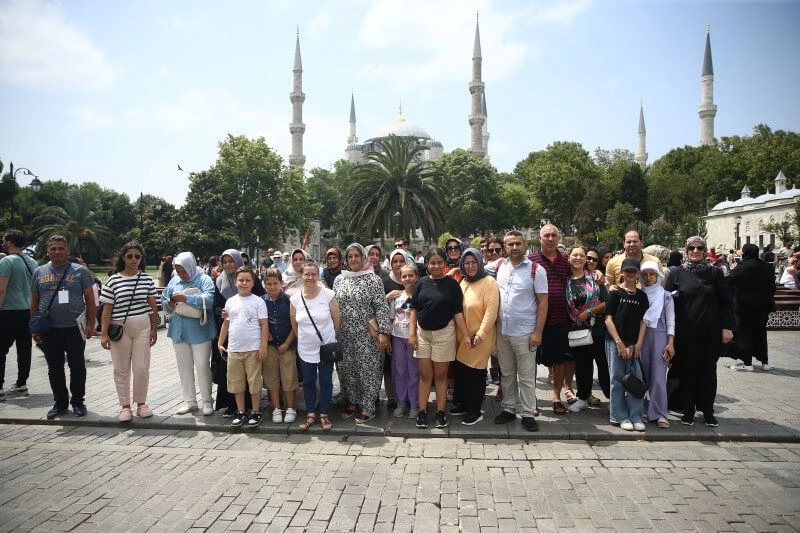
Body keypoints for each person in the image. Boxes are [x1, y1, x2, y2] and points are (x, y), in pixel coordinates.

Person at [664, 236, 734, 427]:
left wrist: (727, 327)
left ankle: (708, 411)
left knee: (708, 371)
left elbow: (727, 302)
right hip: (685, 332)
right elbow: (666, 303)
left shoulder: (715, 273)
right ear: (686, 251)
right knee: (687, 370)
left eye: (700, 248)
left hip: (710, 332)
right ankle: (688, 410)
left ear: (704, 250)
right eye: (691, 248)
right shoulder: (676, 273)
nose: (695, 251)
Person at [30, 235, 97, 419]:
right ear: (48, 252)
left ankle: (78, 402)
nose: (57, 251)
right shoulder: (39, 271)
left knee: (77, 366)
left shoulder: (80, 271)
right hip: (49, 329)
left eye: (61, 248)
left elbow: (90, 298)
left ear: (68, 251)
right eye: (53, 248)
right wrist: (34, 325)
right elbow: (34, 299)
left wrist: (91, 324)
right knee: (54, 367)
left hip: (74, 327)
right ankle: (60, 403)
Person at [487, 230, 548, 431]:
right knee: (507, 373)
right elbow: (474, 267)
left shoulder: (536, 269)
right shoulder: (499, 266)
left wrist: (538, 332)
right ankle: (509, 408)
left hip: (525, 332)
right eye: (510, 244)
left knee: (527, 376)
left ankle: (528, 412)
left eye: (518, 244)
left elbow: (543, 302)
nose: (514, 247)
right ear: (505, 246)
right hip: (502, 331)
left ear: (525, 245)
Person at [409, 248, 471, 429]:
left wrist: (466, 335)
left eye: (439, 262)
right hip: (422, 333)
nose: (436, 266)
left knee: (441, 376)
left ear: (445, 264)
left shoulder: (452, 285)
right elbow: (414, 310)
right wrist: (412, 334)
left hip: (444, 333)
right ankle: (422, 412)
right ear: (427, 264)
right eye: (432, 263)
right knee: (425, 376)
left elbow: (457, 313)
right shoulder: (421, 283)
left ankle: (440, 412)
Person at [99, 241, 159, 422]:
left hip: (142, 327)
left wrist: (154, 329)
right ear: (123, 258)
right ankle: (125, 406)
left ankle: (141, 403)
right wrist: (104, 334)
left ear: (142, 259)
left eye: (137, 256)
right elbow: (107, 309)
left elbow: (153, 307)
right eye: (130, 256)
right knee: (121, 369)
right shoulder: (113, 280)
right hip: (119, 328)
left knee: (141, 368)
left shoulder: (147, 279)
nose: (134, 260)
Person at [333, 243, 391, 424]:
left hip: (367, 335)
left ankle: (368, 407)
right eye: (350, 256)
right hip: (344, 334)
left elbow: (381, 307)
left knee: (368, 370)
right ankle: (352, 401)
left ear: (363, 257)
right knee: (348, 369)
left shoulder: (373, 280)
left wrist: (383, 333)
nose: (353, 259)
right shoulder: (340, 280)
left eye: (356, 256)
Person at [212, 248, 266, 416]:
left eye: (231, 261)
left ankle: (252, 407)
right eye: (225, 262)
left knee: (251, 374)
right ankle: (232, 406)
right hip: (230, 333)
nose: (228, 265)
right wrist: (221, 311)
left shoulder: (251, 279)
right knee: (231, 374)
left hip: (251, 335)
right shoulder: (219, 281)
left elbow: (261, 299)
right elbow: (216, 305)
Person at [162, 252, 216, 416]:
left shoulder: (204, 279)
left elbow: (209, 300)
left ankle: (207, 401)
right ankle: (190, 401)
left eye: (184, 270)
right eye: (178, 270)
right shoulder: (174, 280)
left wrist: (186, 299)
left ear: (191, 266)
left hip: (200, 330)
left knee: (202, 365)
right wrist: (170, 303)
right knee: (184, 366)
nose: (181, 274)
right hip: (178, 329)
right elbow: (164, 300)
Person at [450, 248, 499, 425]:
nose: (470, 266)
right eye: (467, 263)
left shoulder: (489, 282)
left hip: (480, 337)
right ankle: (463, 404)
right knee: (462, 370)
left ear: (480, 263)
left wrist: (481, 334)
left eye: (474, 262)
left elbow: (491, 311)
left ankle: (475, 411)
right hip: (463, 336)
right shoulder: (463, 281)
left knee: (475, 373)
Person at [290, 261, 341, 432]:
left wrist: (329, 338)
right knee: (309, 381)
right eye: (307, 274)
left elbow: (336, 320)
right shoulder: (295, 299)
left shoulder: (328, 295)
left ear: (318, 276)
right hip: (306, 348)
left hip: (325, 347)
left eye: (314, 274)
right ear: (301, 276)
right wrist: (304, 339)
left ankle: (324, 413)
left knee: (326, 381)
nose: (310, 277)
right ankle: (311, 413)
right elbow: (294, 325)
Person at [528, 224, 572, 414]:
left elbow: (582, 275)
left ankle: (556, 396)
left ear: (558, 238)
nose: (550, 238)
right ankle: (531, 399)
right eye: (546, 235)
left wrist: (598, 274)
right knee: (531, 360)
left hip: (559, 319)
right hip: (535, 319)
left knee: (559, 360)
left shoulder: (566, 261)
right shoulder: (531, 260)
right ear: (540, 238)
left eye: (554, 235)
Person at [604, 258, 649, 432]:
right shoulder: (615, 293)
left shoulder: (642, 296)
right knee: (617, 379)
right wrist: (618, 343)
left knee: (636, 379)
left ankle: (636, 415)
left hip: (634, 342)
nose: (630, 274)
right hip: (614, 341)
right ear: (622, 272)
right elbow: (608, 319)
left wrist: (639, 343)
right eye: (627, 270)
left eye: (633, 271)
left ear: (638, 274)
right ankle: (619, 416)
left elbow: (643, 321)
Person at [565, 245, 607, 413]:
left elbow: (607, 302)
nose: (578, 258)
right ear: (569, 258)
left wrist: (589, 312)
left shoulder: (595, 278)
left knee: (604, 365)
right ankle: (583, 397)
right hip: (577, 329)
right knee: (582, 365)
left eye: (581, 255)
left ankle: (614, 398)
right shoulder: (565, 280)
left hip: (598, 328)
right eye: (574, 255)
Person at [0, 230, 38, 400]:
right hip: (28, 311)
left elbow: (1, 289)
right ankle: (21, 383)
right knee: (24, 349)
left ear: (9, 242)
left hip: (9, 311)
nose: (2, 243)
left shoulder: (7, 261)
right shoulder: (32, 262)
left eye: (4, 240)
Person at [728, 243, 776, 371]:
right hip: (762, 307)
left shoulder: (740, 268)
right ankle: (765, 362)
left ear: (745, 253)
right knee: (761, 333)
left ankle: (747, 363)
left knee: (744, 333)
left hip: (743, 307)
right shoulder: (767, 267)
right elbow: (772, 288)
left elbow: (728, 283)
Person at [638, 261, 675, 428]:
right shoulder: (638, 295)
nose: (648, 277)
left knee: (659, 376)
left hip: (660, 337)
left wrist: (671, 343)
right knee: (643, 374)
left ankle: (660, 413)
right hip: (641, 338)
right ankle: (644, 410)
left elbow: (671, 321)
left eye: (652, 274)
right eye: (645, 275)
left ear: (658, 276)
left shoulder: (666, 296)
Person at [262, 268, 298, 423]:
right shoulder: (261, 301)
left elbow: (295, 324)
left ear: (281, 283)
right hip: (270, 346)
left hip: (287, 345)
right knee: (272, 377)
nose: (272, 287)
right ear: (264, 284)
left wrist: (287, 343)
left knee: (289, 377)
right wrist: (264, 333)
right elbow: (259, 322)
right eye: (269, 284)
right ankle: (276, 408)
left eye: (275, 283)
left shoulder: (289, 300)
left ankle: (290, 408)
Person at [389, 263, 419, 418]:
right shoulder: (397, 297)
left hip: (414, 339)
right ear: (400, 279)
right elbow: (391, 318)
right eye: (404, 276)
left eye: (410, 275)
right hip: (398, 337)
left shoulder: (420, 295)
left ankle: (414, 404)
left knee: (414, 372)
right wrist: (388, 338)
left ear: (416, 277)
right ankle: (401, 403)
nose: (407, 278)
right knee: (400, 371)